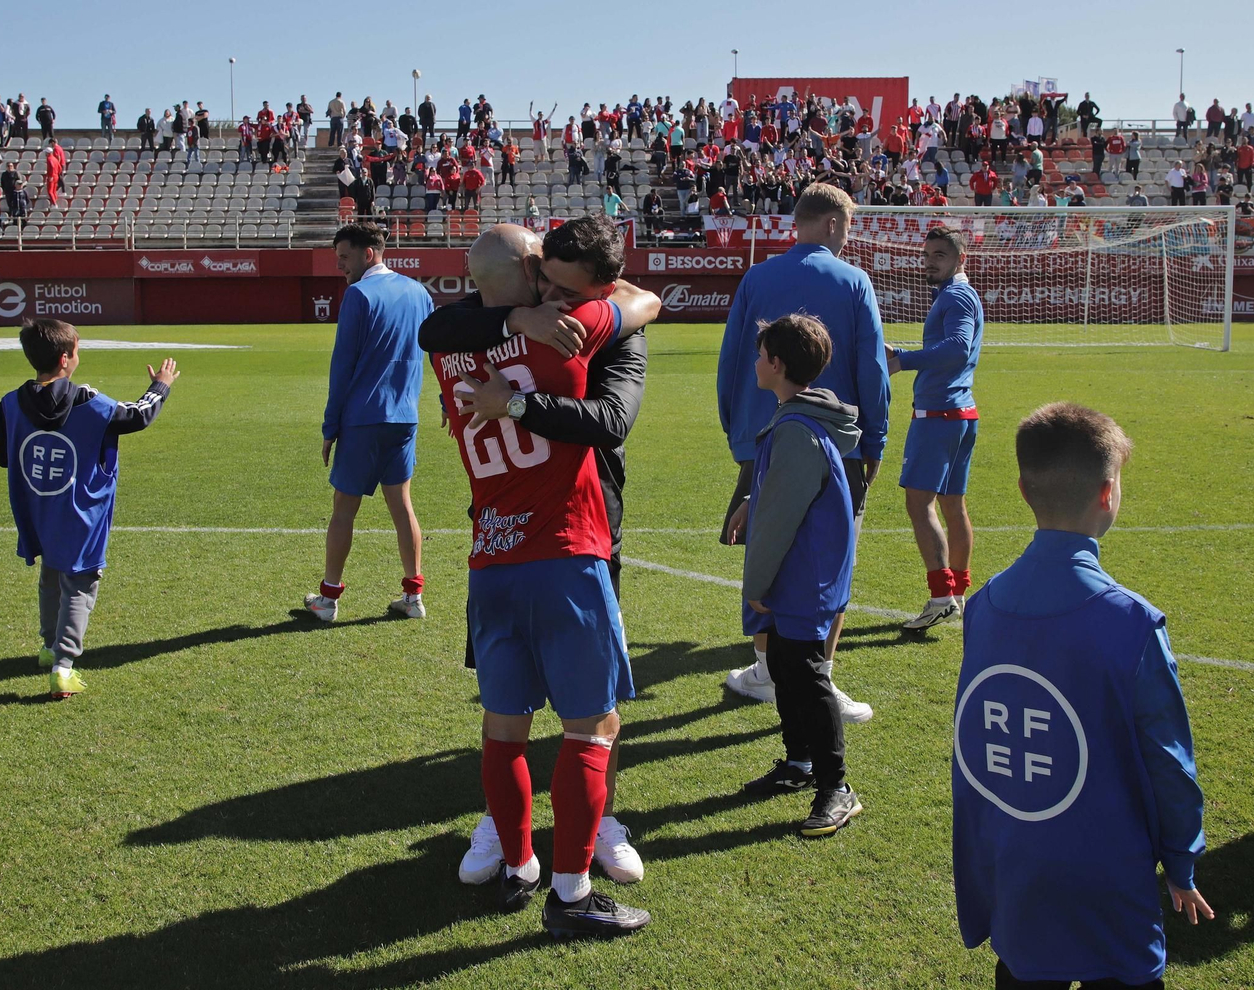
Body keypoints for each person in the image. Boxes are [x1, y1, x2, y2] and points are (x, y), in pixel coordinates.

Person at [418, 217, 660, 903]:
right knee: (588, 728)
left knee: (502, 729)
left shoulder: (453, 352)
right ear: (532, 271)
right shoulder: (573, 324)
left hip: (491, 554)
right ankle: (572, 893)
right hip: (565, 549)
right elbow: (641, 301)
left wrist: (512, 329)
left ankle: (518, 862)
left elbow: (438, 331)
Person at [953, 401, 1211, 990]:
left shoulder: (984, 608)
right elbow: (1169, 763)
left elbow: (976, 750)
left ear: (1022, 490)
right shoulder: (1132, 623)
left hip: (1018, 870)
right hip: (1109, 879)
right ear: (1108, 493)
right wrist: (1181, 859)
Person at [717, 183, 888, 721]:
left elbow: (730, 360)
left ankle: (766, 669)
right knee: (831, 554)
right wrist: (876, 439)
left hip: (764, 438)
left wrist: (739, 433)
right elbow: (873, 369)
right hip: (837, 446)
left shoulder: (757, 276)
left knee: (766, 541)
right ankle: (821, 678)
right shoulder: (854, 281)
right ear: (834, 223)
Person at [722, 314, 863, 837]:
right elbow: (788, 490)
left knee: (806, 672)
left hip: (803, 575)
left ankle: (836, 787)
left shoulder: (796, 430)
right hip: (804, 570)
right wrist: (753, 501)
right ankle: (800, 762)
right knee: (783, 663)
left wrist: (757, 586)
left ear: (776, 365)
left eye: (760, 356)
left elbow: (783, 520)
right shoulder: (799, 419)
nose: (756, 363)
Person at [0, 319, 181, 699]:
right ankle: (64, 667)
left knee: (50, 574)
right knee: (80, 583)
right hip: (80, 514)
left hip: (38, 509)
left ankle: (48, 647)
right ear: (66, 359)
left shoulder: (11, 402)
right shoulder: (90, 404)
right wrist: (161, 384)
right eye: (77, 349)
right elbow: (139, 415)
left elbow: (2, 456)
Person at [303, 223, 433, 623]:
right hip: (404, 417)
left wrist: (330, 427)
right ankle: (413, 597)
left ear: (368, 254)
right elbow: (438, 351)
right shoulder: (420, 293)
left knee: (344, 509)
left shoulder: (358, 295)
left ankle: (327, 600)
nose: (339, 265)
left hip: (363, 418)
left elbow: (342, 366)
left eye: (344, 256)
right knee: (402, 507)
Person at [883, 226, 983, 631]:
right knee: (952, 506)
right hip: (960, 413)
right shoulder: (958, 295)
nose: (930, 261)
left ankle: (942, 595)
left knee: (919, 503)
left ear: (960, 259)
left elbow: (959, 347)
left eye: (940, 255)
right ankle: (957, 592)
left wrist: (902, 360)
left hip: (939, 415)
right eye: (927, 254)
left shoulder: (956, 295)